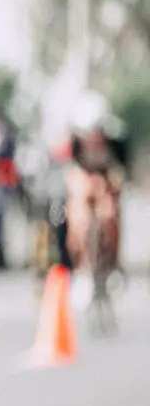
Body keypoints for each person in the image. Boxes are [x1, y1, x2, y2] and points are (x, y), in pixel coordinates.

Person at [63, 90, 129, 276]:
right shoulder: (75, 144)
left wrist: (109, 185)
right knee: (79, 216)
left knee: (110, 213)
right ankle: (80, 261)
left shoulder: (116, 144)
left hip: (106, 181)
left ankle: (114, 261)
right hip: (83, 180)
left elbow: (120, 174)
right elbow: (72, 172)